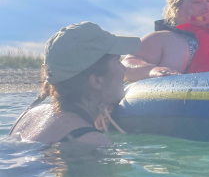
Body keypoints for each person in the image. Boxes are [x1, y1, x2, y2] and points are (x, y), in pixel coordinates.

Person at [8, 22, 140, 146]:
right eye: (117, 61)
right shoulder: (91, 141)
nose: (124, 68)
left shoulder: (31, 115)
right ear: (96, 81)